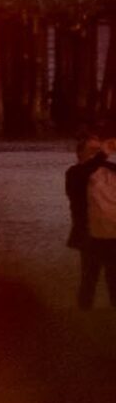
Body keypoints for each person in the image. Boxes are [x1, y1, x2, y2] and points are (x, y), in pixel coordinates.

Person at [68, 132, 115, 310]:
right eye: (92, 150)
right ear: (79, 154)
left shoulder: (109, 169)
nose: (97, 153)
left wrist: (105, 156)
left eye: (98, 150)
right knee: (89, 281)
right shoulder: (74, 173)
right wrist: (103, 153)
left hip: (113, 235)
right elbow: (84, 172)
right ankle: (84, 317)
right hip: (90, 237)